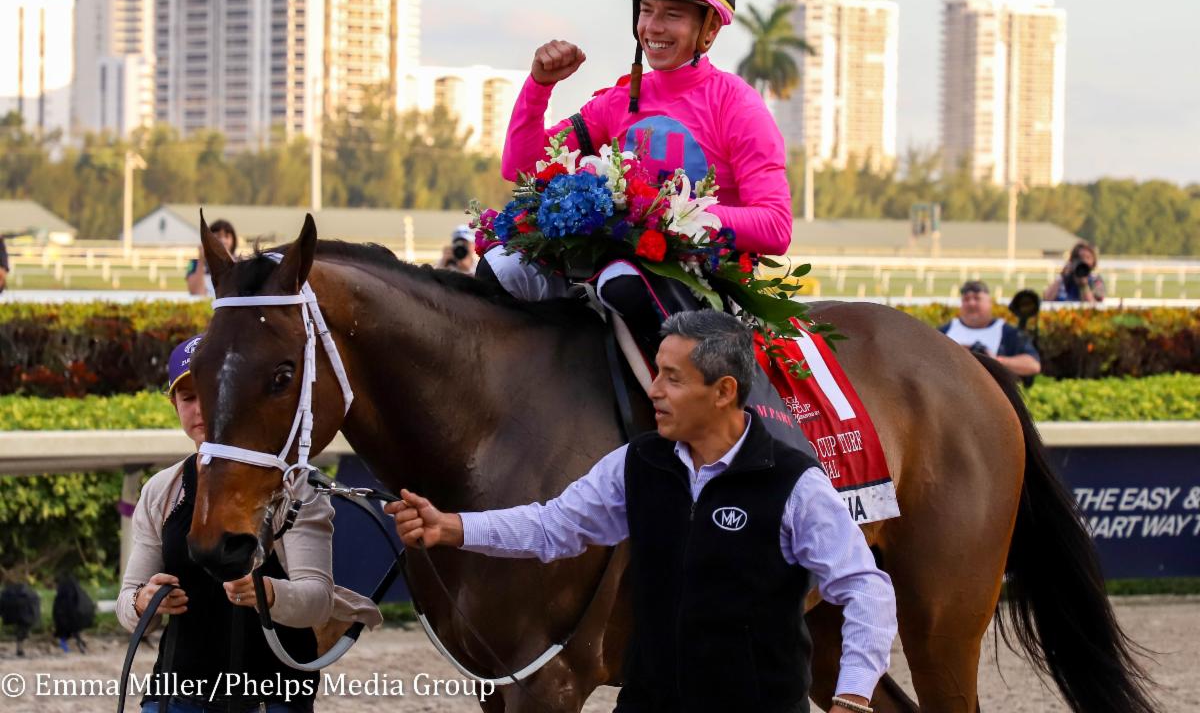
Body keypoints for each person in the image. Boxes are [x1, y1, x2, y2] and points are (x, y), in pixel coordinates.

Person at [386, 310, 896, 713]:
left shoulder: (795, 484)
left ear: (724, 392)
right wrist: (452, 527)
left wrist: (851, 698)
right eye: (657, 374)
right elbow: (554, 526)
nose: (654, 391)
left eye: (672, 379)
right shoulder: (635, 464)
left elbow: (864, 587)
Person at [477, 0, 792, 350]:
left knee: (622, 283)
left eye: (672, 15)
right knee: (501, 267)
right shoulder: (617, 101)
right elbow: (521, 171)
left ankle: (729, 414)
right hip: (611, 266)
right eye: (646, 10)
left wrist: (671, 218)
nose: (653, 28)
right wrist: (539, 86)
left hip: (705, 287)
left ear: (710, 28)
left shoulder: (738, 105)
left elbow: (776, 226)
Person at [118, 335, 381, 713]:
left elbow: (318, 602)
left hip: (274, 696)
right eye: (187, 398)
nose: (200, 410)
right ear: (173, 405)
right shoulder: (162, 490)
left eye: (211, 394)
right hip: (176, 694)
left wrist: (270, 594)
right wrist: (145, 602)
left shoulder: (297, 485)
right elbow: (127, 606)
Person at [939, 280, 1041, 378]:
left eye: (977, 298)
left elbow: (1033, 365)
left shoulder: (1007, 333)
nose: (971, 303)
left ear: (989, 302)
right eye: (966, 299)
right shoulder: (944, 332)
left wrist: (994, 360)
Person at [187, 219, 238, 296]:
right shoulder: (194, 263)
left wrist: (228, 259)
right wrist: (201, 260)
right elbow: (196, 292)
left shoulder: (240, 263)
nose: (222, 240)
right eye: (218, 236)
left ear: (233, 240)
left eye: (226, 236)